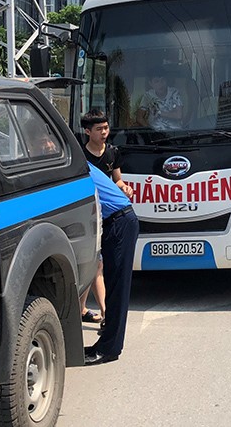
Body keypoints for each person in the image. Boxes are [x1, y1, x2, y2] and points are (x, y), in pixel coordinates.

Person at [78, 110, 135, 326]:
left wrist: (125, 188)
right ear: (87, 131)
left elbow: (117, 181)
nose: (104, 133)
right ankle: (102, 312)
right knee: (94, 264)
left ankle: (97, 312)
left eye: (106, 128)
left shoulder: (113, 153)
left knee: (96, 265)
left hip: (110, 216)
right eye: (99, 129)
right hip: (89, 215)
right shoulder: (80, 156)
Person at [84, 163, 139, 365]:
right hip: (115, 222)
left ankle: (109, 349)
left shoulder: (75, 164)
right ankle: (106, 345)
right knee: (114, 286)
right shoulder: (78, 161)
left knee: (117, 290)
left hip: (120, 222)